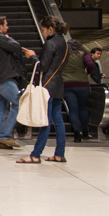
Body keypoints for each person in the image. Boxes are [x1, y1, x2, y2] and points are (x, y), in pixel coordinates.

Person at [16, 17, 69, 164]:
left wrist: (32, 57)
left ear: (50, 29)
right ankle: (59, 153)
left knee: (43, 119)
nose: (43, 32)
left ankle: (35, 154)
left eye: (43, 30)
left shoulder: (50, 43)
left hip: (47, 85)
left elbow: (43, 67)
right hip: (58, 83)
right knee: (58, 119)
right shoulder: (65, 44)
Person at [0, 16, 33, 149]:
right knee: (18, 103)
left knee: (1, 110)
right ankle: (5, 136)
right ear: (0, 27)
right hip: (4, 78)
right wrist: (9, 38)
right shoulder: (0, 38)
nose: (7, 27)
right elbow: (17, 47)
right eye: (6, 25)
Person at [62, 39, 95, 142]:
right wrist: (88, 73)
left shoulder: (63, 54)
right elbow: (91, 64)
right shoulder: (82, 53)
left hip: (67, 84)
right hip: (82, 84)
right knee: (82, 109)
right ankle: (85, 132)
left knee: (73, 110)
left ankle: (76, 134)